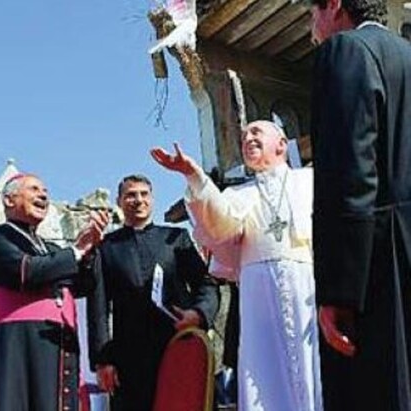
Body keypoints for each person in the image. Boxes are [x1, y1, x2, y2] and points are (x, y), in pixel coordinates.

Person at [150, 120, 322, 410]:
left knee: (314, 367)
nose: (248, 139)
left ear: (281, 144)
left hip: (307, 284)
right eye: (243, 137)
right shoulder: (238, 195)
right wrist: (194, 176)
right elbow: (219, 227)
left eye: (256, 133)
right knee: (263, 371)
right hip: (258, 294)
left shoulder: (310, 181)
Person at [308, 1, 411, 409]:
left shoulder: (347, 50)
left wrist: (339, 291)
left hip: (381, 263)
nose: (312, 28)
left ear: (333, 6)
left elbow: (351, 171)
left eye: (311, 15)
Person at [0, 173, 109, 411]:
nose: (43, 195)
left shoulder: (51, 248)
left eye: (45, 190)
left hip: (57, 344)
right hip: (16, 346)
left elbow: (84, 284)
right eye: (34, 189)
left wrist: (90, 251)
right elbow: (26, 271)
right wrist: (76, 251)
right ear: (9, 200)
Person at [85, 174, 219, 410]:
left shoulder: (175, 238)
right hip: (129, 357)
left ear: (152, 199)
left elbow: (206, 284)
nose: (138, 200)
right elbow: (98, 307)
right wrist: (102, 361)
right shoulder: (106, 247)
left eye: (144, 194)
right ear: (119, 201)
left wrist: (198, 314)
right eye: (130, 195)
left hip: (178, 346)